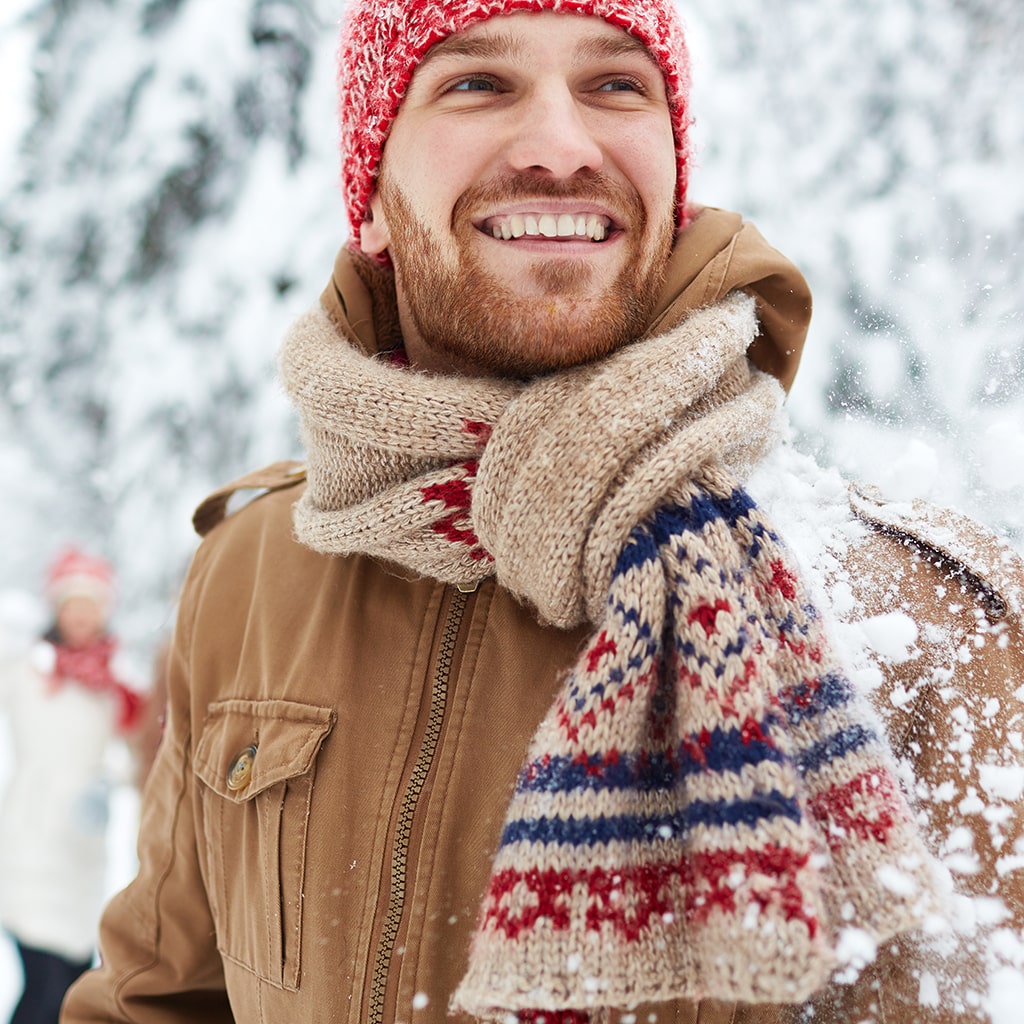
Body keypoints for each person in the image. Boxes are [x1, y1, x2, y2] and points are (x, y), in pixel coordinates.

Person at [63, 1, 1024, 1022]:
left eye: (615, 85)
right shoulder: (256, 572)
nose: (561, 148)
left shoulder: (915, 617)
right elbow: (156, 998)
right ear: (374, 198)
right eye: (477, 83)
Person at [0, 547, 145, 1024]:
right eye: (72, 603)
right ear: (57, 609)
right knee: (44, 989)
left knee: (75, 987)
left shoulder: (115, 685)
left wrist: (107, 787)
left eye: (92, 604)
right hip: (31, 844)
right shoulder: (28, 671)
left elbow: (137, 756)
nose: (82, 615)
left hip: (82, 854)